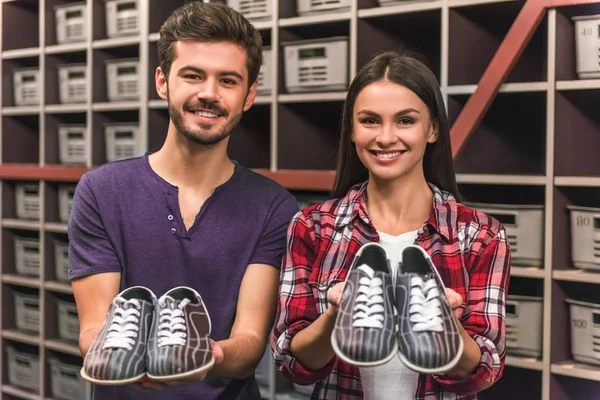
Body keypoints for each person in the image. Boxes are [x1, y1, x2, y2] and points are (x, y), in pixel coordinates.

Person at [68, 2, 299, 399]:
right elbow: (93, 331)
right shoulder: (101, 191)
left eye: (228, 80)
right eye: (193, 76)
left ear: (249, 94)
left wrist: (207, 354)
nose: (208, 94)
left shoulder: (274, 206)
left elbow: (248, 344)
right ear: (163, 81)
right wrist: (126, 354)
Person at [271, 50, 511, 399]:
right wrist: (339, 315)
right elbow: (293, 362)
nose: (385, 137)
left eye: (405, 121)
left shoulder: (480, 235)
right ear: (351, 131)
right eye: (369, 121)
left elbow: (485, 368)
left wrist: (443, 324)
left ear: (432, 129)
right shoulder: (312, 227)